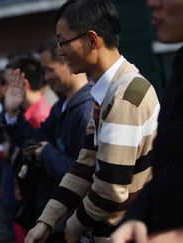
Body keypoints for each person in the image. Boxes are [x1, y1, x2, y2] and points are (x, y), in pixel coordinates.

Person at [25, 0, 160, 242]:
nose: (59, 51)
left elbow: (110, 189)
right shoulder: (107, 92)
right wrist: (46, 221)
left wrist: (74, 226)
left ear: (91, 40)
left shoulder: (125, 97)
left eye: (62, 41)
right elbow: (85, 163)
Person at [3, 39, 92, 242]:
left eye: (49, 70)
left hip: (72, 223)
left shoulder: (86, 111)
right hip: (56, 217)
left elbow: (82, 173)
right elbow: (34, 140)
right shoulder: (61, 105)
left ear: (67, 61)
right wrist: (12, 112)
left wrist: (46, 153)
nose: (46, 77)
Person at [111, 0, 183, 242]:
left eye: (63, 41)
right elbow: (167, 172)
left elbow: (111, 183)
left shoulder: (128, 91)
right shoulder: (179, 69)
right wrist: (137, 217)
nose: (152, 3)